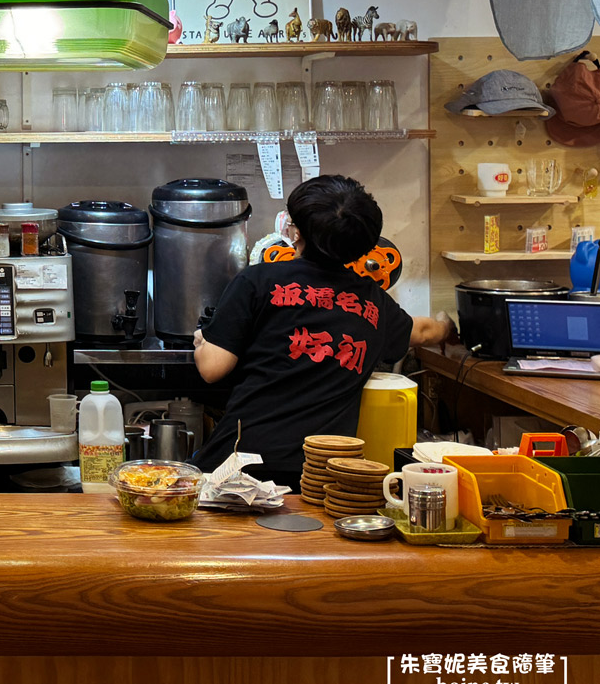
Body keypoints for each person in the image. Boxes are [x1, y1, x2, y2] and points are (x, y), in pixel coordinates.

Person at [190, 175, 455, 487]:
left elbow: (212, 368)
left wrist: (201, 341)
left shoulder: (257, 281)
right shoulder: (374, 303)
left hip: (240, 463)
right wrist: (448, 325)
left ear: (297, 233)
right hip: (321, 475)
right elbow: (423, 332)